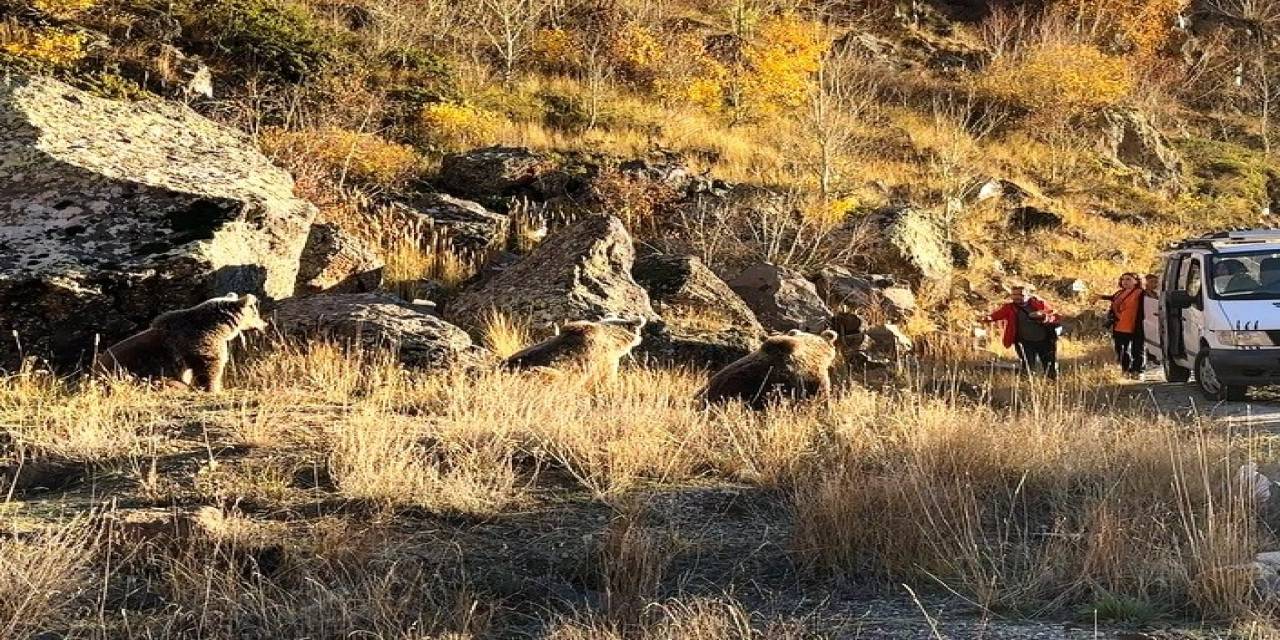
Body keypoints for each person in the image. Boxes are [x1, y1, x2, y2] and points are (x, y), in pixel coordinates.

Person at [983, 285, 1058, 379]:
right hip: (1024, 342)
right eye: (1014, 295)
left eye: (1020, 294)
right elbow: (996, 315)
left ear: (1028, 295)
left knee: (1050, 366)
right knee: (1027, 367)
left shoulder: (1039, 304)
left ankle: (1052, 384)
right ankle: (1026, 387)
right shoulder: (1009, 307)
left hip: (1045, 341)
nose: (1016, 297)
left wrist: (1042, 316)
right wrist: (988, 318)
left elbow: (1054, 316)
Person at [1092, 272, 1145, 379]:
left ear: (1136, 281)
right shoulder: (1119, 293)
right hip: (1119, 325)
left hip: (1136, 325)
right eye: (1123, 279)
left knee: (1137, 350)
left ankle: (1138, 371)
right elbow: (1113, 298)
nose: (1125, 281)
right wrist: (1101, 297)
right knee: (1120, 350)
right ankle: (1126, 370)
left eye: (1128, 279)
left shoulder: (1141, 293)